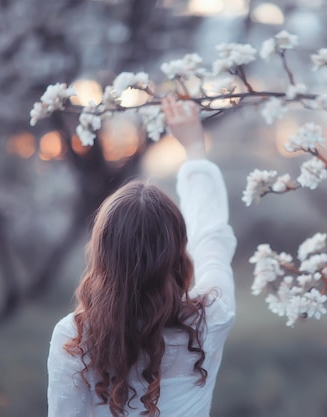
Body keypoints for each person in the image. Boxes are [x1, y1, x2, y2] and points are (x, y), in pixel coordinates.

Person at [46, 97, 237, 417]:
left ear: (102, 255)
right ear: (178, 254)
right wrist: (194, 149)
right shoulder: (211, 317)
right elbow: (211, 236)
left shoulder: (75, 338)